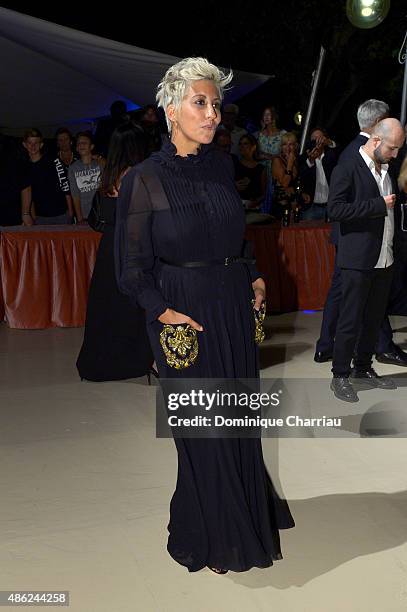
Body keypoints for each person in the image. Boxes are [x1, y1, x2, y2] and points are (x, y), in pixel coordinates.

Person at [115, 57, 294, 573]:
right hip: (182, 311)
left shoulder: (220, 165)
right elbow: (130, 268)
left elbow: (234, 237)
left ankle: (243, 512)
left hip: (232, 304)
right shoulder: (144, 180)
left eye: (216, 104)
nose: (212, 114)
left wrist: (254, 273)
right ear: (171, 110)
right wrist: (161, 311)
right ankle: (215, 534)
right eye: (200, 103)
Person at [327, 118, 405, 402]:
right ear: (375, 141)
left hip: (383, 257)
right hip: (357, 259)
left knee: (373, 320)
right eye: (392, 148)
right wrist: (377, 206)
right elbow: (334, 210)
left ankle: (362, 368)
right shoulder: (347, 167)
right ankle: (339, 376)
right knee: (350, 320)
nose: (395, 155)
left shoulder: (386, 168)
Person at [76, 123, 154, 382]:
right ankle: (135, 361)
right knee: (131, 307)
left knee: (106, 306)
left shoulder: (108, 175)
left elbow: (95, 220)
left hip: (108, 250)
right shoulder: (138, 175)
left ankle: (100, 363)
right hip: (132, 248)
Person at [314, 99, 390, 362]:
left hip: (355, 237)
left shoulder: (357, 149)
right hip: (354, 238)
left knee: (346, 295)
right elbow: (337, 207)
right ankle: (353, 353)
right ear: (378, 124)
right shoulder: (355, 155)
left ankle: (328, 345)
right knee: (351, 302)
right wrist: (379, 205)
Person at [21, 128, 73, 225]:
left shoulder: (54, 161)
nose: (33, 146)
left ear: (41, 145)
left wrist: (70, 212)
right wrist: (32, 216)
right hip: (40, 217)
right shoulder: (25, 167)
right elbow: (28, 193)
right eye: (30, 143)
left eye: (36, 143)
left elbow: (65, 185)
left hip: (60, 215)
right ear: (25, 145)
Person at [299, 127, 338, 221]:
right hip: (311, 208)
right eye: (314, 139)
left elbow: (341, 150)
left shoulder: (331, 155)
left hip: (332, 207)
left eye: (320, 138)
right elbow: (300, 176)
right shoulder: (305, 157)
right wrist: (310, 161)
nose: (317, 142)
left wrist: (329, 142)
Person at [68, 131, 104, 222]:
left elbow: (111, 167)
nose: (81, 145)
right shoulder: (73, 168)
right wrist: (79, 217)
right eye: (79, 143)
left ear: (91, 146)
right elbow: (75, 194)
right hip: (85, 214)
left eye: (84, 143)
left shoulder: (99, 163)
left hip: (101, 212)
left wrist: (98, 158)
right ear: (76, 148)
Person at [271, 132, 300, 218]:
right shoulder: (277, 160)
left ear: (295, 146)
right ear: (281, 147)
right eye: (284, 144)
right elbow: (285, 183)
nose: (287, 147)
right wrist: (290, 164)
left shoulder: (296, 160)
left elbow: (295, 182)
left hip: (294, 206)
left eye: (291, 144)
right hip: (281, 207)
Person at [234, 133, 267, 209]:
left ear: (253, 147)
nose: (242, 147)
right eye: (240, 144)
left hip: (253, 209)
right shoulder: (234, 164)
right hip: (235, 206)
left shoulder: (261, 168)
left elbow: (263, 194)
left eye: (245, 144)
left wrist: (253, 203)